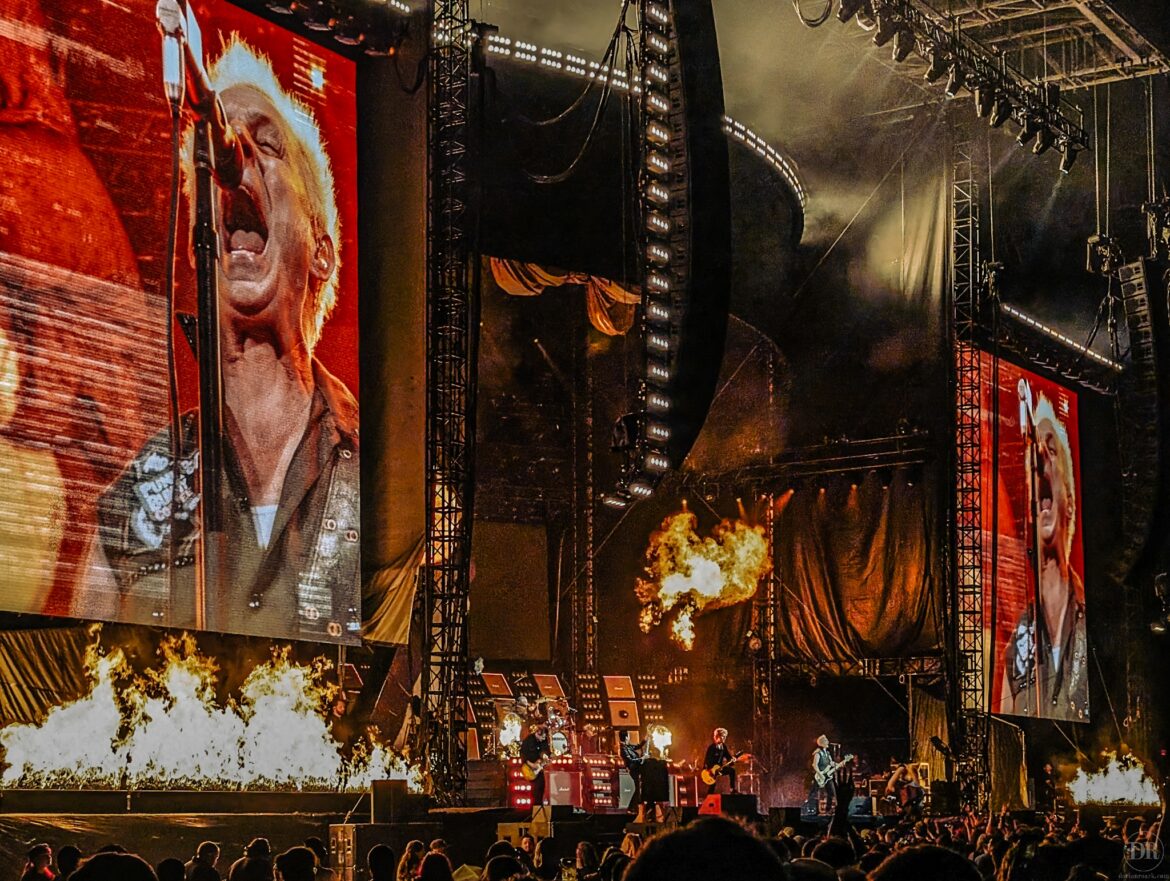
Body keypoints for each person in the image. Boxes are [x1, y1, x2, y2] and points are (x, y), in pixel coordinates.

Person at [78, 34, 359, 643]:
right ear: (198, 244)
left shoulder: (374, 475)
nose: (236, 160)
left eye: (266, 146)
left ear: (322, 251)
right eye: (216, 156)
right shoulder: (130, 509)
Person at [999, 391, 1088, 721]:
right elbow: (1006, 726)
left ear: (1069, 497)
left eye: (1050, 451)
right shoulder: (1015, 646)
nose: (1040, 461)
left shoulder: (1089, 618)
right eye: (1033, 459)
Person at [520, 722, 550, 806]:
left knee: (541, 787)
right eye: (543, 737)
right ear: (537, 733)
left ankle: (538, 807)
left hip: (539, 770)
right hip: (529, 767)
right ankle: (531, 810)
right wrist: (531, 765)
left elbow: (546, 750)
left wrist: (545, 755)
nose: (543, 739)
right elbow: (523, 754)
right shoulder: (528, 740)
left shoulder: (544, 741)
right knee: (532, 791)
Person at [702, 727, 738, 794]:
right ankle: (709, 797)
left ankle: (732, 789)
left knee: (732, 771)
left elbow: (728, 757)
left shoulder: (723, 747)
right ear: (717, 737)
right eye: (723, 737)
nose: (724, 739)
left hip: (720, 768)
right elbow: (707, 760)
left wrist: (732, 760)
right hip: (711, 770)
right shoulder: (711, 748)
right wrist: (710, 769)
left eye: (725, 737)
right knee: (712, 784)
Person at [809, 735, 837, 814]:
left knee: (831, 793)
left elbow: (831, 763)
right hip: (819, 776)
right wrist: (820, 774)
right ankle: (812, 809)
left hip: (827, 776)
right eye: (826, 741)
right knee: (814, 793)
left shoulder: (827, 753)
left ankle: (828, 810)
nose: (828, 742)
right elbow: (814, 765)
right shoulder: (818, 753)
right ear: (822, 743)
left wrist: (839, 764)